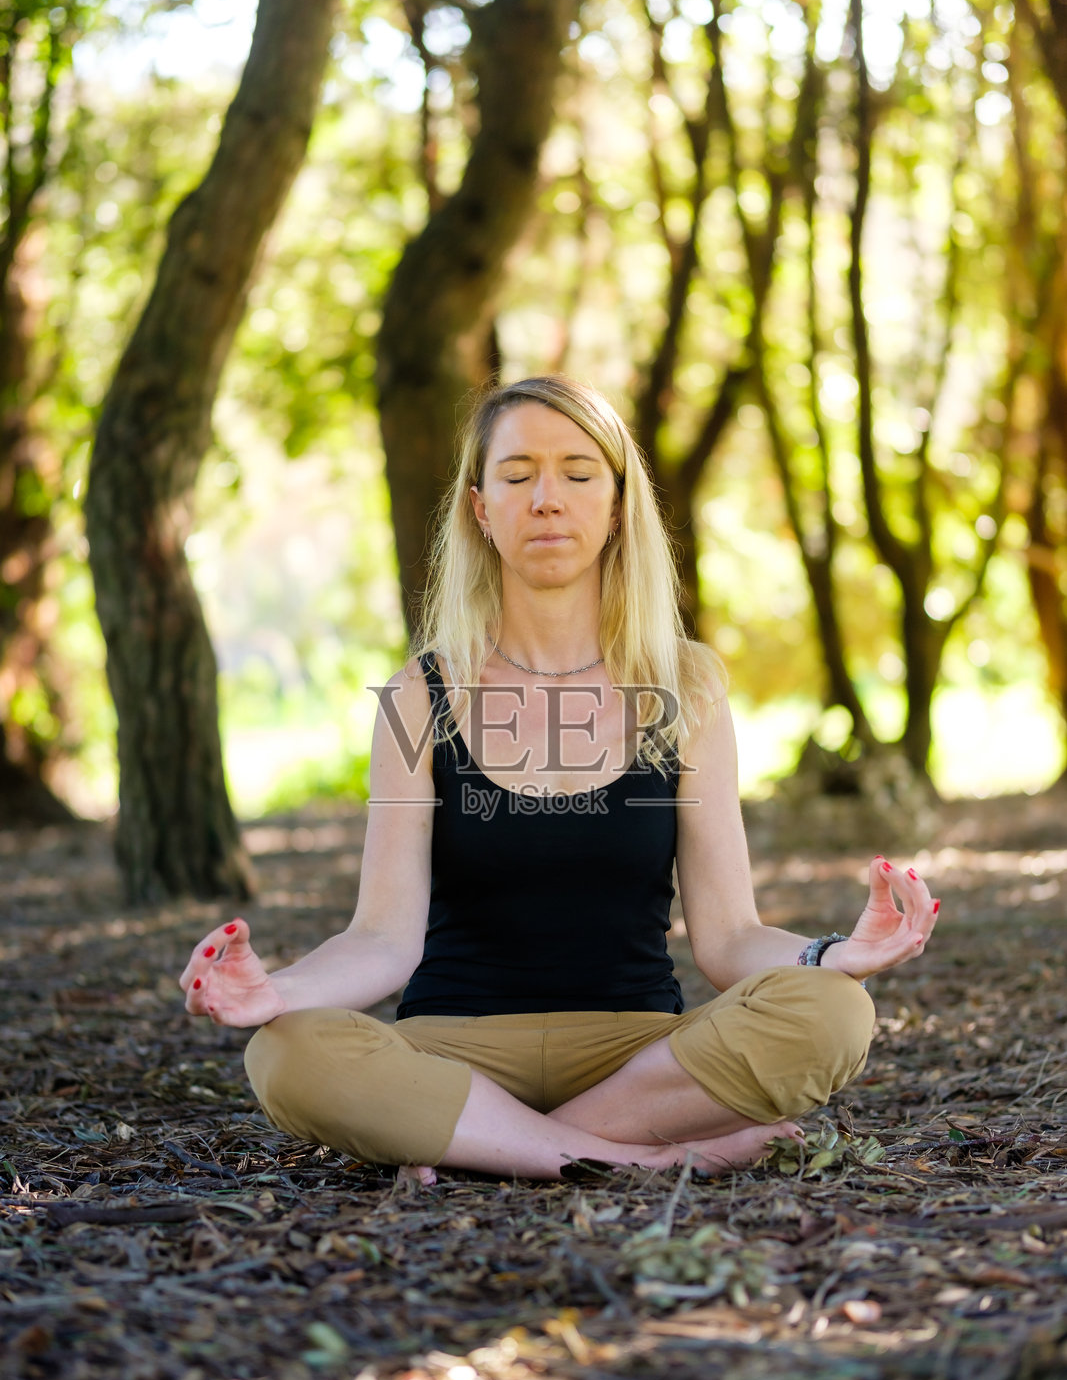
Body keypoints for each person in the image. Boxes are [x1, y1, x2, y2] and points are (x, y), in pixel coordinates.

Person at [180, 375, 939, 1182]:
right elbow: (381, 941)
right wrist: (276, 992)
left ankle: (484, 1143)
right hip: (452, 1048)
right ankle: (634, 1157)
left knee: (832, 1012)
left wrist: (832, 953)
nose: (546, 499)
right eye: (516, 475)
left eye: (578, 474)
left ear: (616, 506)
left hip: (636, 1052)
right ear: (480, 507)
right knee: (287, 1053)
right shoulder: (420, 693)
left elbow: (727, 939)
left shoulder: (686, 688)